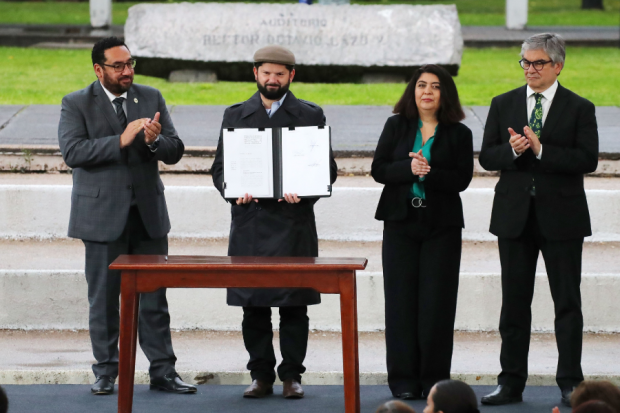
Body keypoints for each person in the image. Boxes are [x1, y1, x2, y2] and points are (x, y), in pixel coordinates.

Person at [58, 37, 195, 395]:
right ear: (98, 69)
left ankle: (163, 371)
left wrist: (153, 140)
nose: (127, 71)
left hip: (148, 215)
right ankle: (105, 371)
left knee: (154, 297)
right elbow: (73, 151)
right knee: (104, 299)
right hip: (102, 216)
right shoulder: (75, 103)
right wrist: (120, 140)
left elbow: (175, 149)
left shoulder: (150, 97)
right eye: (118, 66)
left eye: (130, 64)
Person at [211, 45, 338, 399]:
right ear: (255, 73)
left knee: (294, 304)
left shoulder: (311, 114)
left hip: (293, 223)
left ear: (291, 76)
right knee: (254, 305)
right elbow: (220, 170)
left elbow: (327, 170)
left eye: (280, 74)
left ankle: (292, 375)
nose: (272, 79)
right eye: (266, 73)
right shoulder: (235, 115)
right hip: (251, 223)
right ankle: (261, 375)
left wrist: (307, 191)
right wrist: (233, 191)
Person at [479, 33, 599, 407]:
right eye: (525, 63)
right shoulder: (503, 104)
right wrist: (512, 150)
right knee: (514, 304)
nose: (530, 69)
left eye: (538, 63)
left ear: (557, 66)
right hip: (514, 218)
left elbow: (587, 160)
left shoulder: (580, 107)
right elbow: (486, 157)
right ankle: (511, 382)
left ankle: (570, 383)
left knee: (567, 304)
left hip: (562, 218)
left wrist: (541, 149)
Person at [371, 64, 473, 399]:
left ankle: (433, 382)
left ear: (446, 93)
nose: (426, 91)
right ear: (412, 91)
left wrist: (428, 173)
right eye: (421, 85)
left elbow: (461, 179)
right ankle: (402, 382)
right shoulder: (396, 125)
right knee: (400, 304)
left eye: (435, 86)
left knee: (437, 306)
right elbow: (379, 169)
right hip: (400, 224)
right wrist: (408, 168)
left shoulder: (459, 133)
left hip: (440, 227)